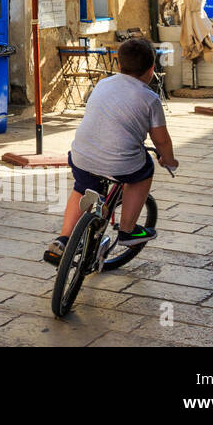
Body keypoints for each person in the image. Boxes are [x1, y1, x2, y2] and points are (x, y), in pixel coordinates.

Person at [44, 37, 178, 265]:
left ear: (118, 65)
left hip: (82, 156)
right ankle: (127, 230)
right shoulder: (150, 99)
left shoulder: (103, 84)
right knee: (145, 170)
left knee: (82, 188)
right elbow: (161, 139)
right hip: (120, 163)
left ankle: (64, 239)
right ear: (151, 70)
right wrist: (169, 159)